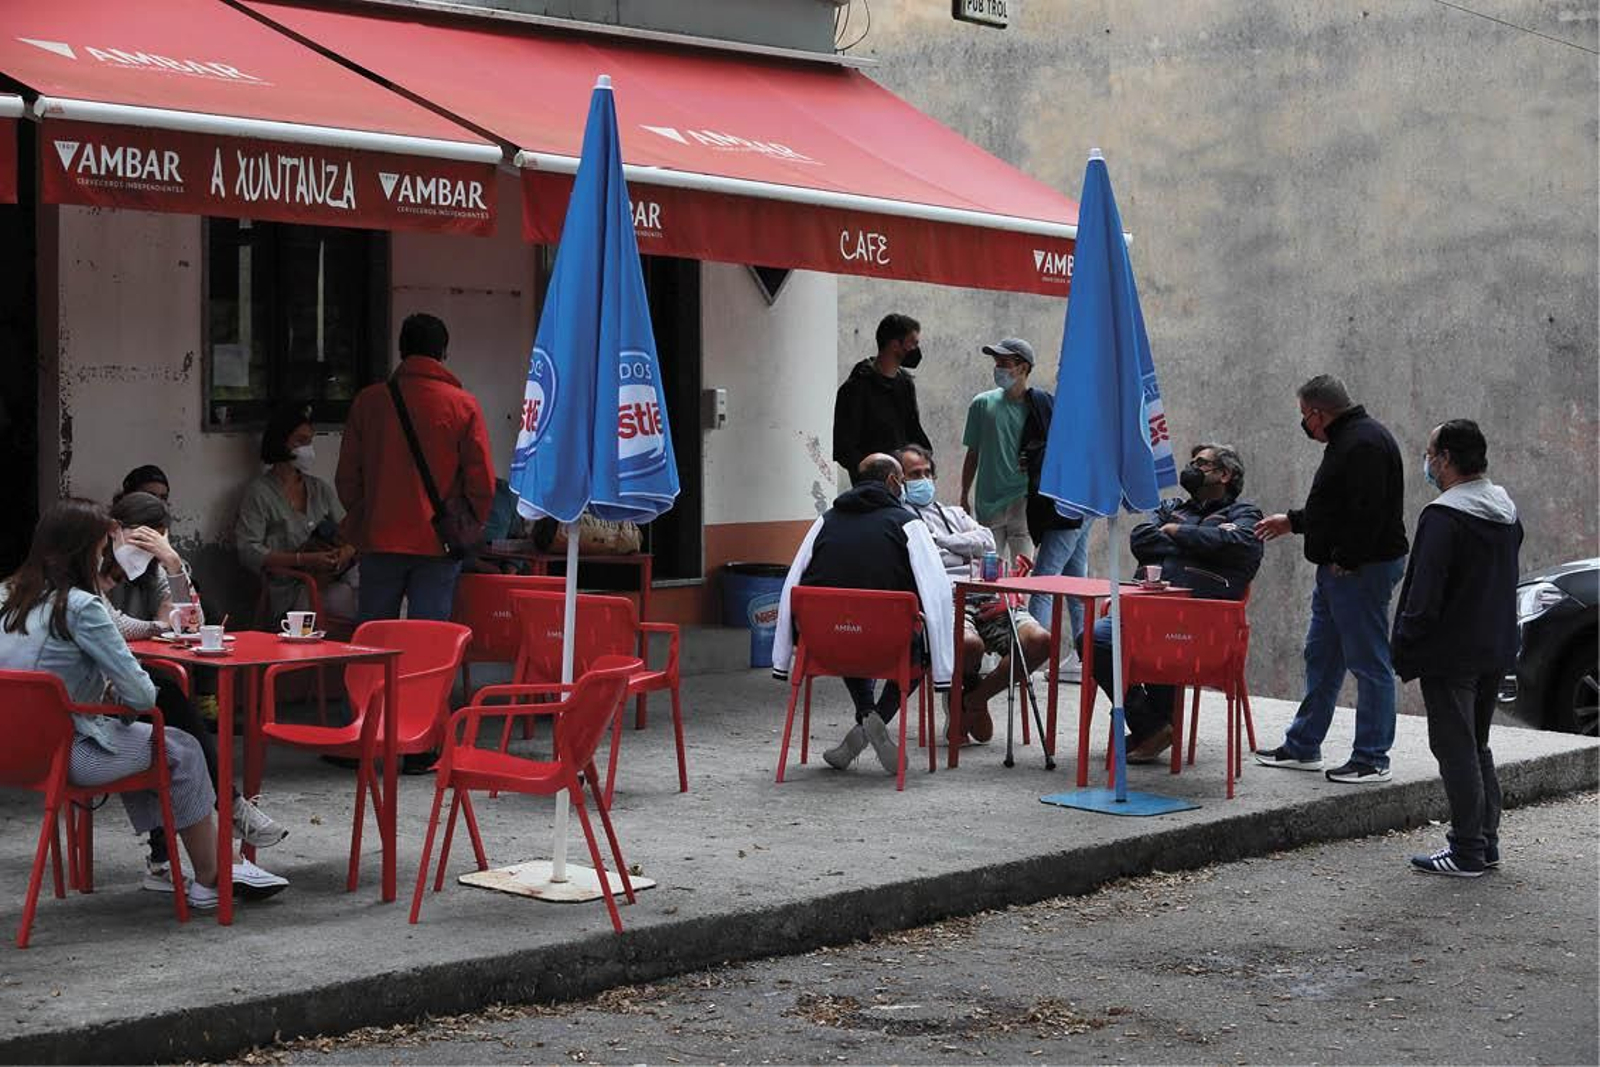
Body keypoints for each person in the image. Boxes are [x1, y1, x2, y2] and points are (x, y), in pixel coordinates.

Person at [0, 500, 247, 910]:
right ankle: (210, 879)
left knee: (137, 739)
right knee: (180, 748)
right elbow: (142, 695)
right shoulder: (82, 605)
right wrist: (108, 689)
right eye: (100, 548)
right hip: (66, 755)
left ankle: (166, 861)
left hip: (10, 750)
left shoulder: (5, 593)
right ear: (84, 551)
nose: (104, 557)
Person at [107, 492, 288, 890]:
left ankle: (167, 859)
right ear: (114, 531)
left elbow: (190, 625)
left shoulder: (163, 565)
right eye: (134, 541)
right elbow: (113, 624)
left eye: (151, 541)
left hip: (140, 679)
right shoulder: (95, 565)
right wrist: (157, 626)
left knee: (165, 705)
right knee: (166, 708)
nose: (140, 552)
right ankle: (232, 810)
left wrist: (171, 562)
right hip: (102, 689)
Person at [1254, 374, 1409, 784]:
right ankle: (1303, 744)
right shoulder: (1350, 439)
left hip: (1359, 569)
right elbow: (1334, 507)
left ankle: (1372, 757)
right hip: (1340, 569)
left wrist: (1347, 558)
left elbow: (1366, 511)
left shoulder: (1362, 443)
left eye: (1305, 414)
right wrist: (1294, 522)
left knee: (1368, 662)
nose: (1304, 423)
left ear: (1318, 413)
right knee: (1321, 655)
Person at [1392, 420, 1521, 877]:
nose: (1426, 461)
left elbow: (1424, 595)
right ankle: (1486, 843)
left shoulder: (1444, 516)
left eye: (1429, 453)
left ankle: (1466, 849)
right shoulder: (1505, 510)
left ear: (1445, 459)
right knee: (1477, 745)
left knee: (1455, 749)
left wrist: (1405, 643)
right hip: (1495, 646)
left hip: (1450, 654)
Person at [771, 453, 955, 774]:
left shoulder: (824, 521)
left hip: (826, 646)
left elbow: (792, 584)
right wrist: (942, 660)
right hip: (889, 645)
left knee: (847, 627)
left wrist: (782, 655)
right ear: (892, 482)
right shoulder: (908, 524)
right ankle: (877, 718)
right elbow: (936, 589)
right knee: (918, 648)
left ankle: (863, 721)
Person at [1091, 444, 1265, 763]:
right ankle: (1154, 727)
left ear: (1224, 475)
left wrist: (1174, 532)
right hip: (1145, 614)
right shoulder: (1172, 506)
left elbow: (1240, 544)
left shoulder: (1244, 514)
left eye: (1201, 463)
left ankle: (1154, 730)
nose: (1192, 468)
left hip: (1199, 626)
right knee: (1095, 639)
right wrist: (1202, 539)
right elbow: (1142, 539)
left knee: (1164, 645)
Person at [337, 313, 494, 622]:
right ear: (443, 353)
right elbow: (482, 483)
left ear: (401, 350)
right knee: (430, 643)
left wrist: (366, 516)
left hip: (379, 537)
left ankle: (373, 675)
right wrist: (469, 523)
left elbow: (347, 478)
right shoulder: (463, 405)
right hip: (439, 541)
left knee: (374, 640)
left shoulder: (368, 402)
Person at [897, 444, 1049, 745]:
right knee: (968, 645)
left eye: (928, 473)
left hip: (989, 595)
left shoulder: (953, 513)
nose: (924, 479)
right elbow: (925, 556)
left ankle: (974, 699)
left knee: (1041, 642)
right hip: (948, 598)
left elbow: (987, 541)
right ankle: (966, 688)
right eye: (915, 474)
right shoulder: (899, 520)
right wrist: (965, 546)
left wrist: (943, 541)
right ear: (898, 481)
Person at [237, 403, 359, 623]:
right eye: (300, 442)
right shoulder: (259, 493)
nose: (308, 449)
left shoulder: (318, 488)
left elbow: (350, 531)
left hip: (331, 579)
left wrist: (343, 554)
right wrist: (303, 559)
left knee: (367, 587)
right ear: (281, 443)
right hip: (289, 587)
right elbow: (248, 550)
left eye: (310, 442)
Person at [1012, 344, 1090, 672]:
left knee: (1043, 579)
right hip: (1083, 502)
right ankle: (1086, 656)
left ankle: (1028, 657)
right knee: (1075, 577)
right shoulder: (1077, 405)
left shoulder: (1078, 408)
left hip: (1068, 504)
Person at [961, 337, 1036, 568]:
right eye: (997, 362)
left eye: (1004, 363)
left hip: (1023, 501)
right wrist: (964, 494)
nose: (998, 368)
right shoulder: (982, 404)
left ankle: (1020, 607)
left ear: (1022, 367)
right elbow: (973, 452)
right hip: (989, 502)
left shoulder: (1039, 406)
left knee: (1022, 573)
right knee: (988, 571)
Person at [831, 314, 931, 483]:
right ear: (895, 345)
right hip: (872, 488)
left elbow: (913, 429)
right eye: (913, 342)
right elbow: (845, 449)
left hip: (905, 484)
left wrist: (922, 460)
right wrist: (873, 471)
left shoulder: (904, 383)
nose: (916, 349)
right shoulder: (855, 389)